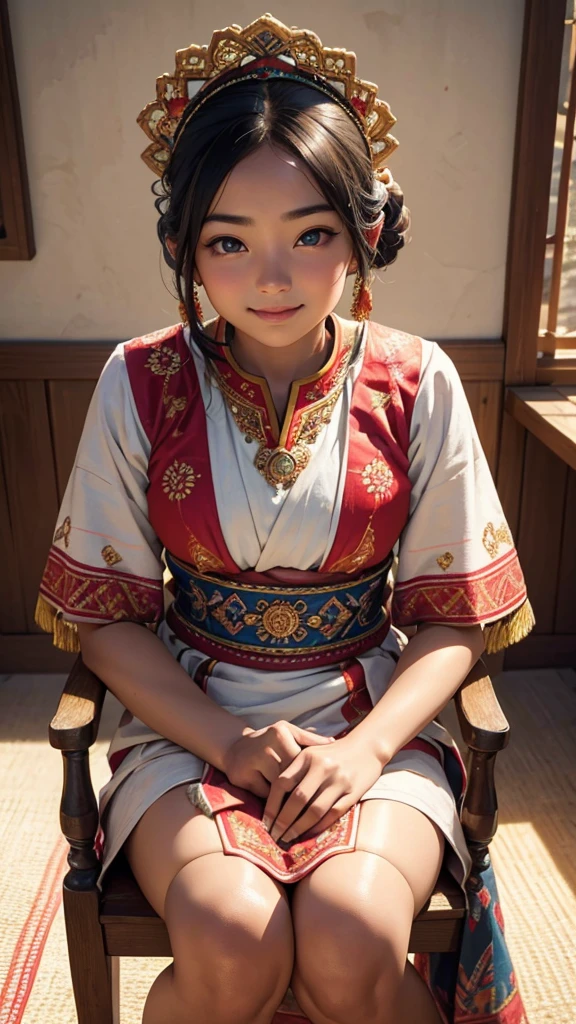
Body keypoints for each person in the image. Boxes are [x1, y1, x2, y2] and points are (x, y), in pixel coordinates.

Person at [36, 15, 533, 1024]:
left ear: (365, 233)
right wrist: (225, 739)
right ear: (183, 244)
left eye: (312, 234)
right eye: (229, 240)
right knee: (233, 935)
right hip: (188, 714)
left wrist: (362, 752)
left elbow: (455, 619)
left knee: (350, 938)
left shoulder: (416, 379)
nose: (272, 277)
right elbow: (107, 616)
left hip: (373, 716)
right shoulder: (140, 381)